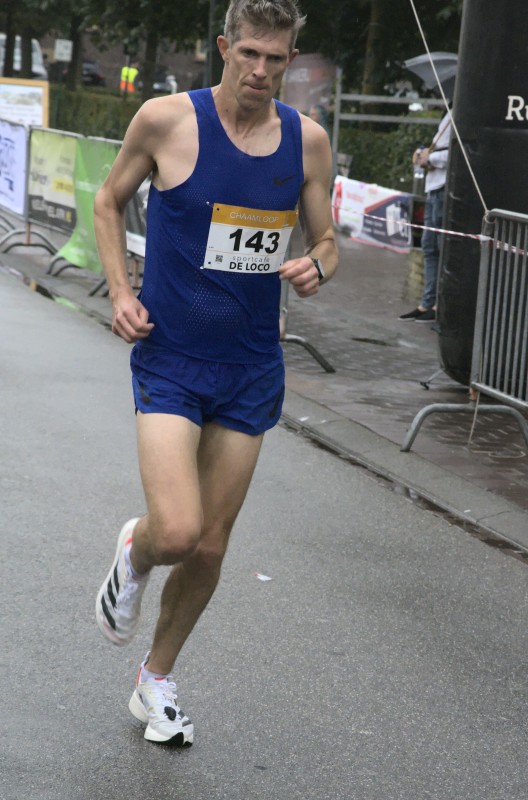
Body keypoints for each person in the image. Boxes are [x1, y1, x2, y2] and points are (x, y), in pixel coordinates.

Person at [93, 0, 338, 748]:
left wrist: (316, 266)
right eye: (250, 54)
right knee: (175, 529)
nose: (261, 70)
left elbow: (328, 241)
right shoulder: (167, 121)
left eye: (276, 58)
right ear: (226, 48)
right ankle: (135, 550)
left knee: (209, 545)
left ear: (289, 59)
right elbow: (108, 200)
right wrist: (122, 292)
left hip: (251, 365)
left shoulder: (307, 141)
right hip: (171, 356)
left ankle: (156, 680)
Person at [399, 108, 452, 323]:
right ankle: (427, 302)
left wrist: (430, 158)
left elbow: (456, 153)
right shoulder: (449, 112)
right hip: (433, 188)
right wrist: (425, 155)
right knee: (429, 246)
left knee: (439, 246)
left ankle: (438, 304)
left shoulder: (459, 112)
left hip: (442, 187)